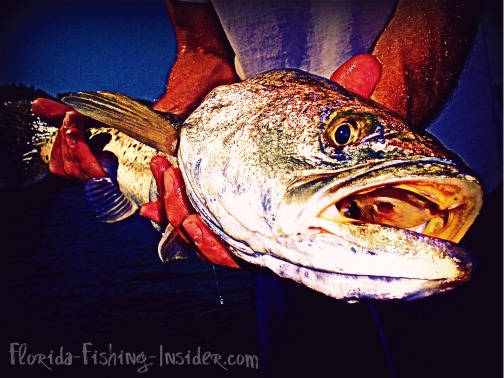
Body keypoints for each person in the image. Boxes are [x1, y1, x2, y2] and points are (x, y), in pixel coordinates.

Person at [34, 0, 502, 376]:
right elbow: (201, 49)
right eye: (343, 134)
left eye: (342, 134)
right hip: (273, 235)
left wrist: (393, 104)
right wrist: (174, 122)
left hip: (454, 200)